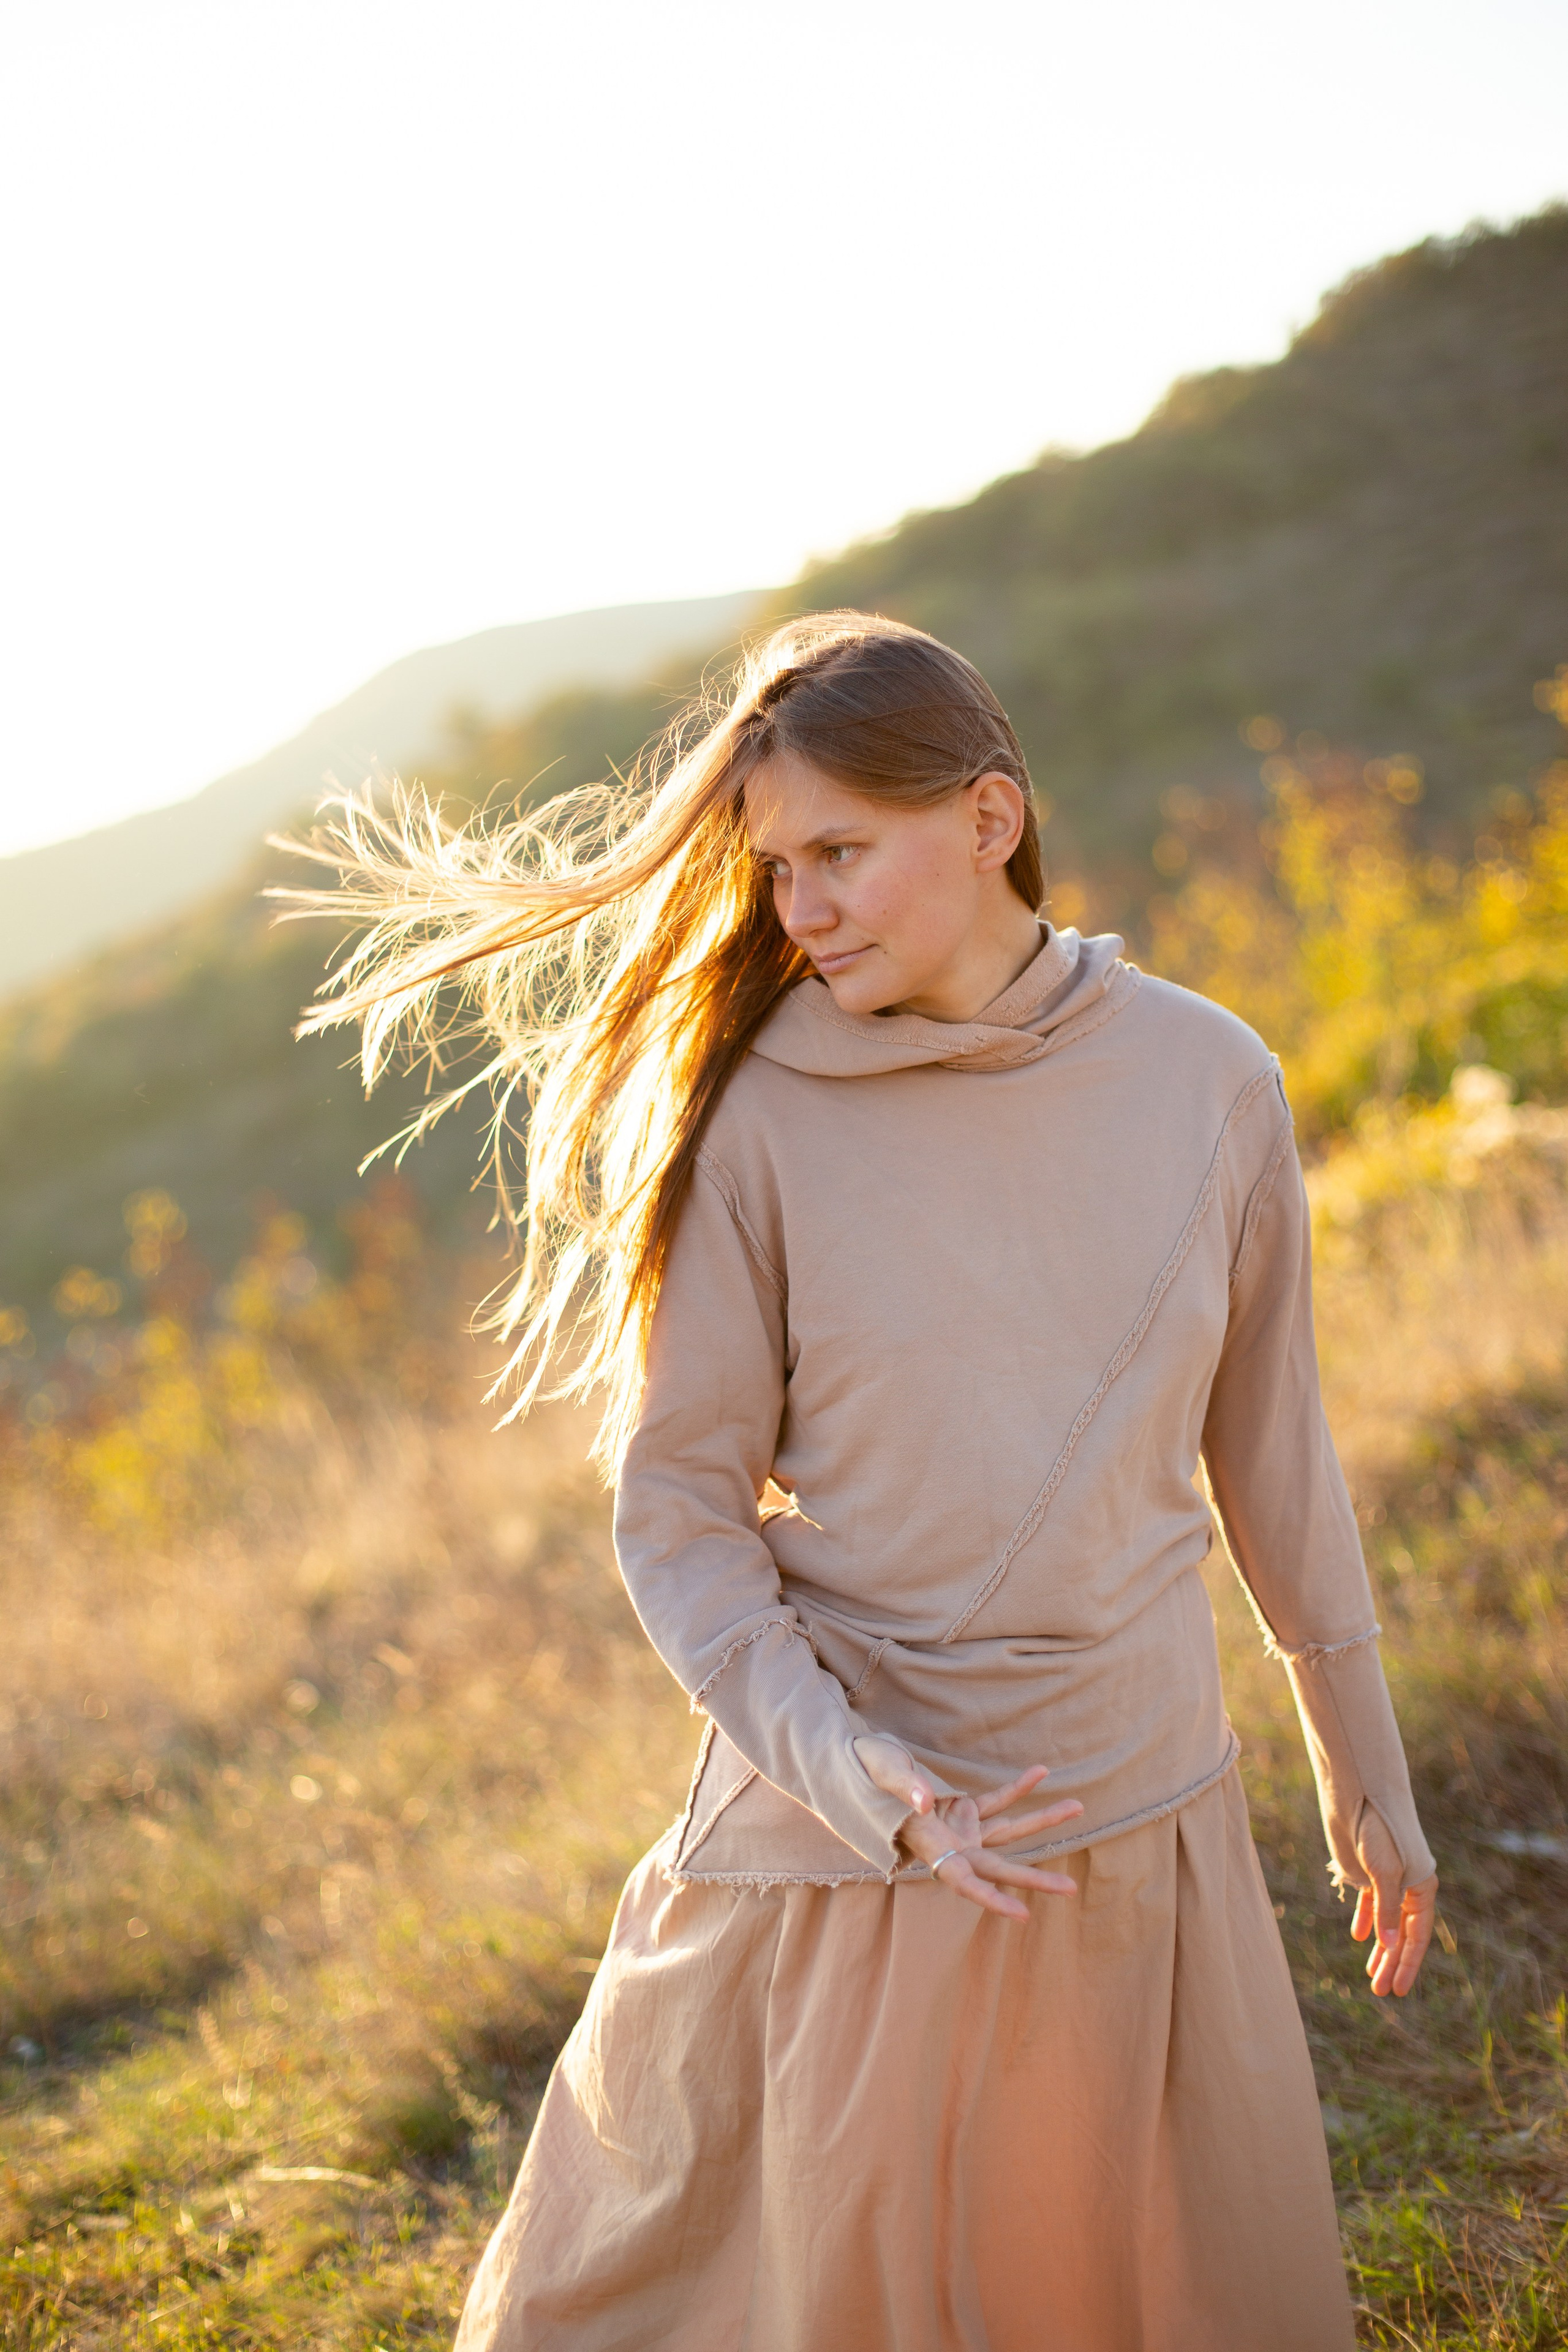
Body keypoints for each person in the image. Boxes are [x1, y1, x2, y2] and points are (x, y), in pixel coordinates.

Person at [290, 612, 1437, 2351]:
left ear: (989, 821)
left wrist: (1367, 1765)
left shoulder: (1212, 1080)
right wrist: (858, 1773)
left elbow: (1272, 1448)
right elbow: (676, 1511)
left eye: (839, 853)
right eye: (773, 868)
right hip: (849, 1847)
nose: (797, 909)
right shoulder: (760, 1120)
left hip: (1133, 1821)